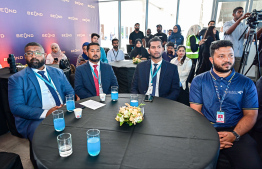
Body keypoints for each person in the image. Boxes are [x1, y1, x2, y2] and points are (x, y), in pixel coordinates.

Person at [189, 40, 262, 168]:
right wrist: (211, 136)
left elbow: (251, 114)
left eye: (231, 55)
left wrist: (234, 135)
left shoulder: (246, 83)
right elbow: (196, 112)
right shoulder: (199, 81)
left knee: (253, 165)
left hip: (237, 129)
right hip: (206, 129)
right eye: (221, 56)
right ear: (211, 60)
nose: (227, 59)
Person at [8, 42, 74, 141]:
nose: (34, 56)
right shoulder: (17, 79)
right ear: (25, 57)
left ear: (45, 55)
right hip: (36, 118)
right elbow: (16, 107)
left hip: (63, 110)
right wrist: (46, 113)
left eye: (38, 53)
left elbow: (70, 92)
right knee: (46, 139)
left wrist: (66, 105)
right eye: (29, 53)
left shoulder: (58, 72)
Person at [223, 7, 250, 71]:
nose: (241, 13)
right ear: (233, 14)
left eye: (242, 12)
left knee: (235, 74)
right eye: (239, 12)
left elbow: (246, 36)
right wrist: (240, 20)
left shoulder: (243, 25)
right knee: (226, 73)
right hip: (228, 55)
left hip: (238, 55)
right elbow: (228, 32)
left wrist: (251, 27)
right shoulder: (227, 23)